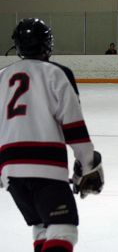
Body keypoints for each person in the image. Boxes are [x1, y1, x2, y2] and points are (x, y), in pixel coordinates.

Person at [0, 18, 104, 252]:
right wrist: (87, 164)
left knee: (42, 225)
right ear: (47, 43)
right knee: (63, 228)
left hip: (10, 169)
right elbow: (73, 126)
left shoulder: (2, 76)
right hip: (46, 166)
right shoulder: (57, 73)